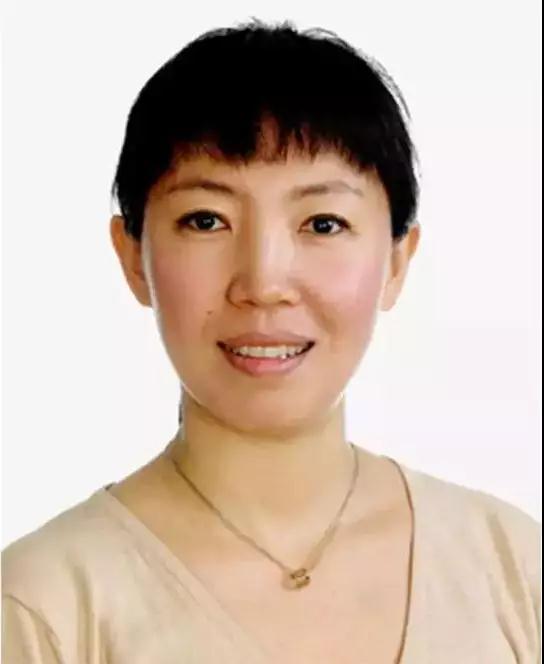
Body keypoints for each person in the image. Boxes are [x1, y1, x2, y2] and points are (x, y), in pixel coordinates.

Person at [2, 18, 540, 664]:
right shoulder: (44, 607)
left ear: (397, 261)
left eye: (323, 223)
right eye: (207, 220)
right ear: (132, 257)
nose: (263, 284)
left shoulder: (513, 567)